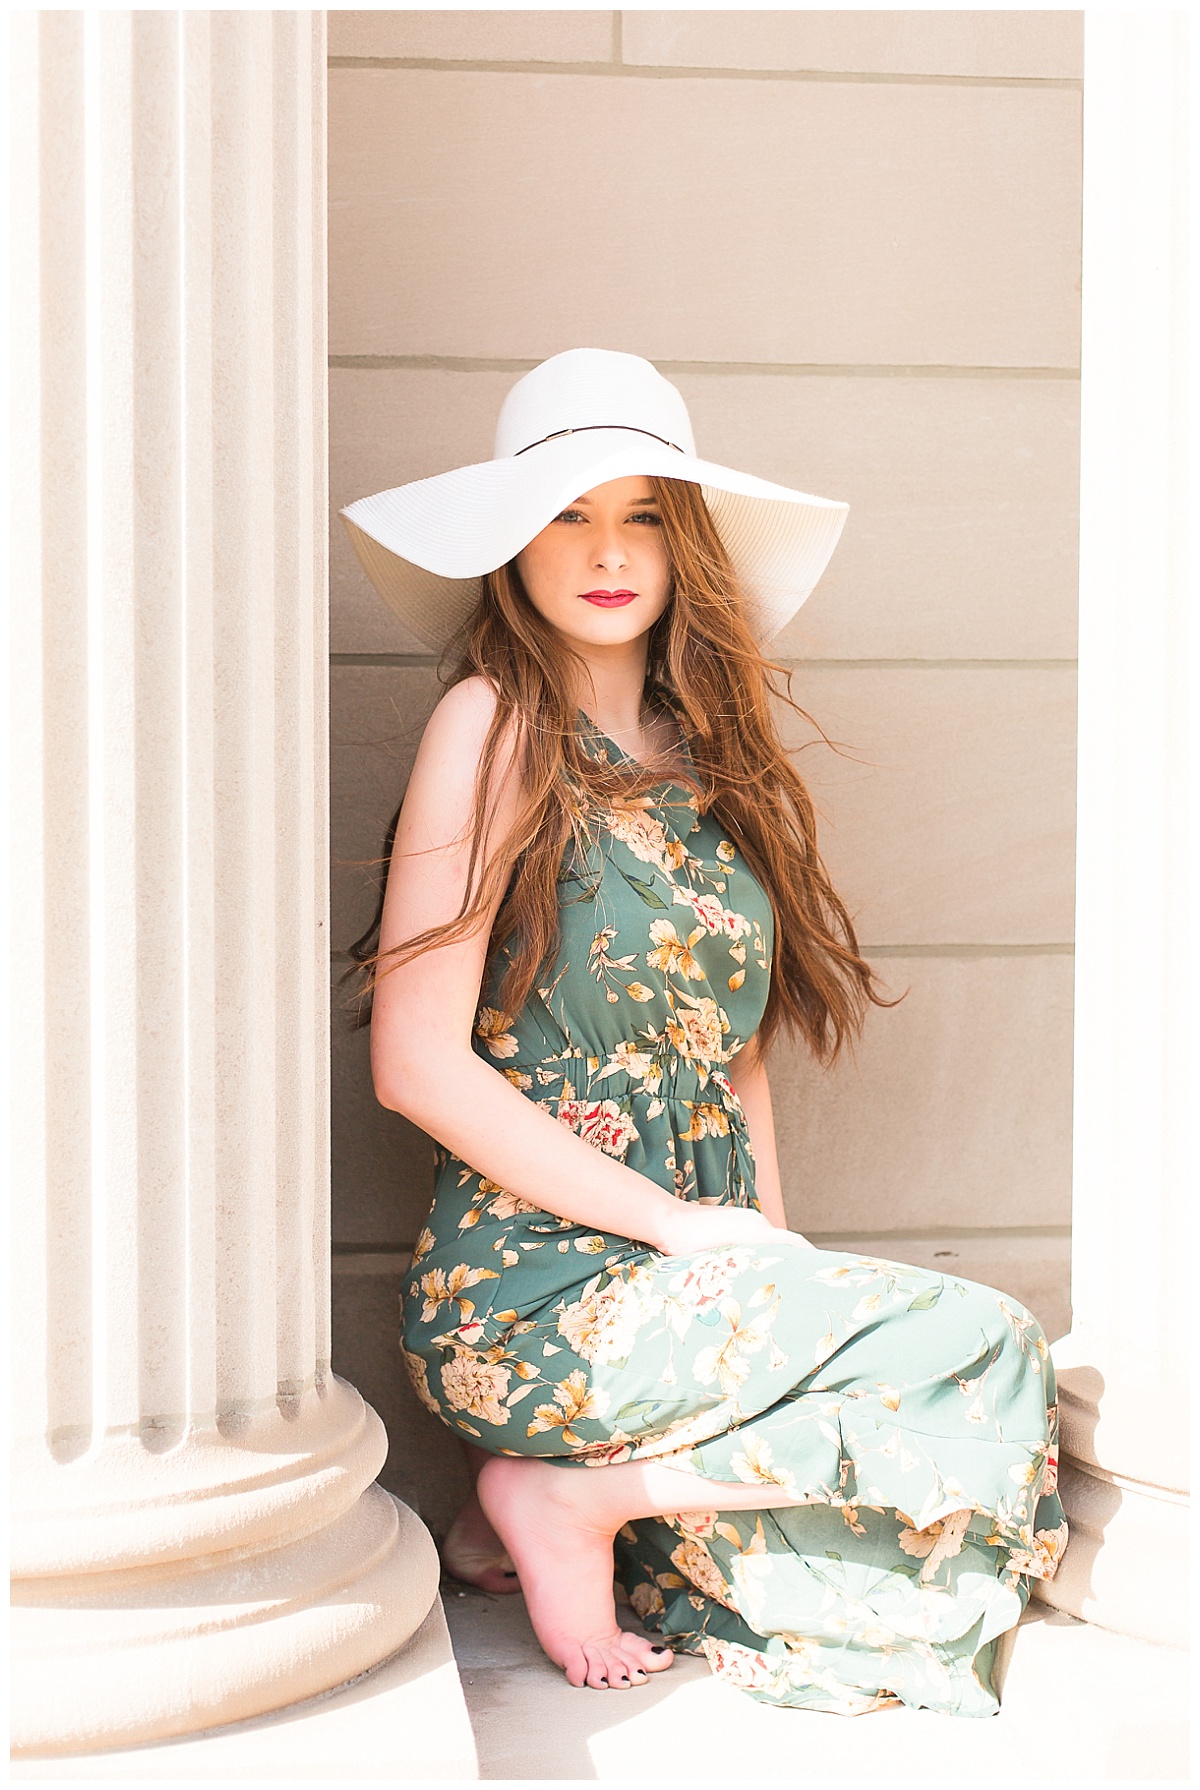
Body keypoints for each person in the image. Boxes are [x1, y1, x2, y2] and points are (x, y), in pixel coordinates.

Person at [341, 349, 1066, 1716]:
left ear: (686, 544)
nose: (610, 550)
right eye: (569, 513)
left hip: (703, 1288)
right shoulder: (492, 726)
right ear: (514, 541)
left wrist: (771, 1261)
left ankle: (565, 1514)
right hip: (537, 1294)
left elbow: (737, 1065)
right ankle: (572, 1498)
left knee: (916, 1503)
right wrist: (683, 1234)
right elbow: (414, 1061)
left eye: (644, 514)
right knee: (987, 1348)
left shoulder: (709, 758)